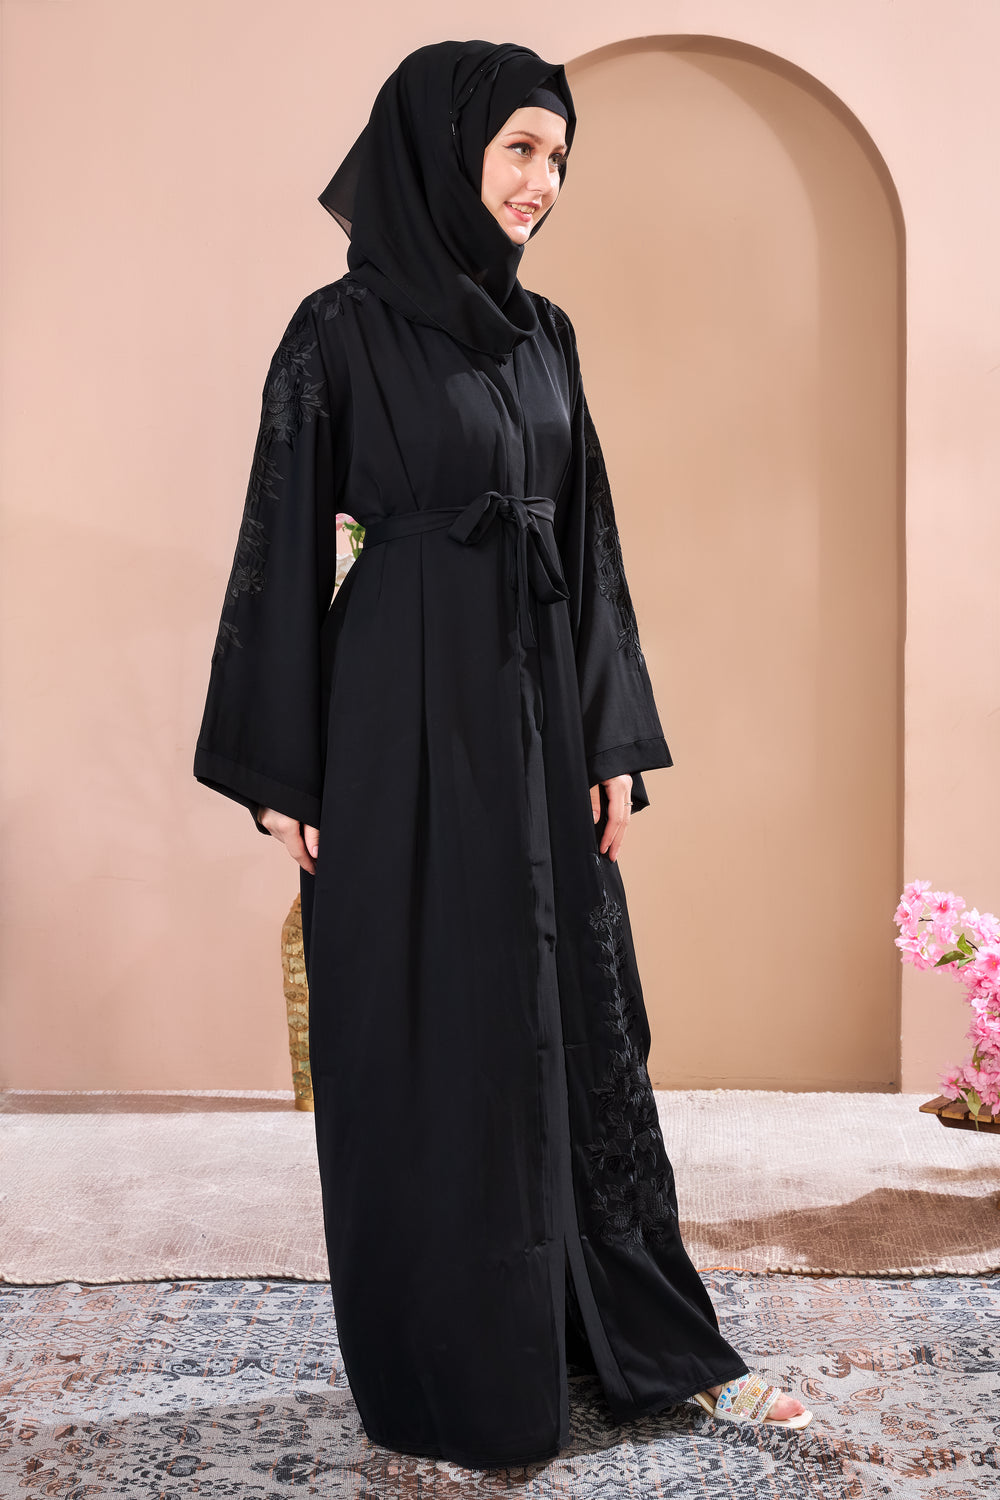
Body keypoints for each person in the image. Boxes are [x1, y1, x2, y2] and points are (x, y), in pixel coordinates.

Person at [193, 38, 812, 1469]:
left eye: (560, 159)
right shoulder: (335, 331)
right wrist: (286, 774)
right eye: (522, 149)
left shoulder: (548, 337)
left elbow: (587, 537)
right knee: (427, 1029)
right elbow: (281, 539)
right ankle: (452, 1372)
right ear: (442, 148)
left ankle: (644, 1343)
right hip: (395, 722)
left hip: (538, 710)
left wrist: (610, 737)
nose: (543, 183)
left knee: (579, 1017)